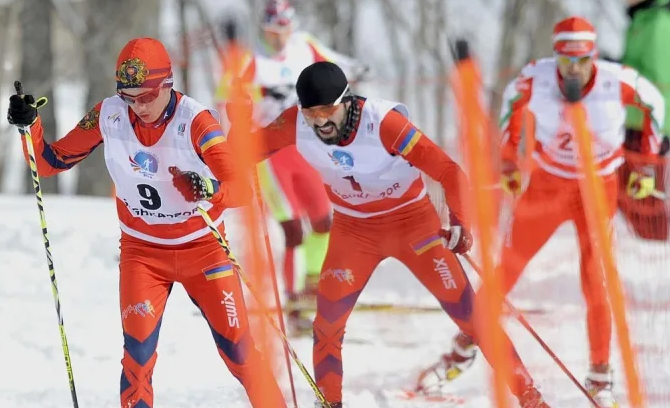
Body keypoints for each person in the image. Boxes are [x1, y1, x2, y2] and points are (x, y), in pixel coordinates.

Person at [222, 60, 552, 408]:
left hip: (414, 226)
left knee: (472, 318)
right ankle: (329, 403)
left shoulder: (383, 123)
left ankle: (530, 396)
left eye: (328, 110)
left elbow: (448, 171)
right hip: (355, 232)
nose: (320, 121)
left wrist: (459, 222)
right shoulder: (295, 123)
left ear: (345, 101)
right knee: (327, 328)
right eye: (311, 113)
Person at [6, 37, 286, 408]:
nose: (138, 107)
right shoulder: (108, 114)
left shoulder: (197, 122)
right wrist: (31, 125)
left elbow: (240, 190)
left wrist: (208, 188)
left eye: (147, 96)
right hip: (143, 254)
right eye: (129, 96)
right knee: (137, 359)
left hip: (203, 252)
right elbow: (49, 163)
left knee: (239, 352)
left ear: (167, 84)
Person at [428, 16, 665, 408]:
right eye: (566, 59)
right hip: (548, 185)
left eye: (582, 58)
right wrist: (508, 166)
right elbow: (511, 112)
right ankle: (464, 348)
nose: (574, 68)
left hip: (598, 187)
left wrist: (646, 165)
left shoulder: (614, 79)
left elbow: (654, 103)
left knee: (597, 280)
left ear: (592, 54)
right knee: (507, 268)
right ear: (555, 55)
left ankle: (600, 375)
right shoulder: (534, 78)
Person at [214, 0, 371, 335]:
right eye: (273, 32)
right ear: (264, 30)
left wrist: (358, 70)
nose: (280, 39)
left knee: (323, 221)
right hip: (271, 151)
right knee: (293, 229)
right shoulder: (251, 58)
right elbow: (226, 94)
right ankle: (294, 302)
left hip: (306, 145)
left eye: (284, 31)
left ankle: (314, 289)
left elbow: (339, 65)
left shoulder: (305, 46)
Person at [617, 0, 670, 240]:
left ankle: (655, 250)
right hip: (635, 120)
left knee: (641, 197)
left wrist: (618, 75)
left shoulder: (660, 24)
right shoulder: (646, 17)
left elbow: (656, 81)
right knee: (624, 191)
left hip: (649, 125)